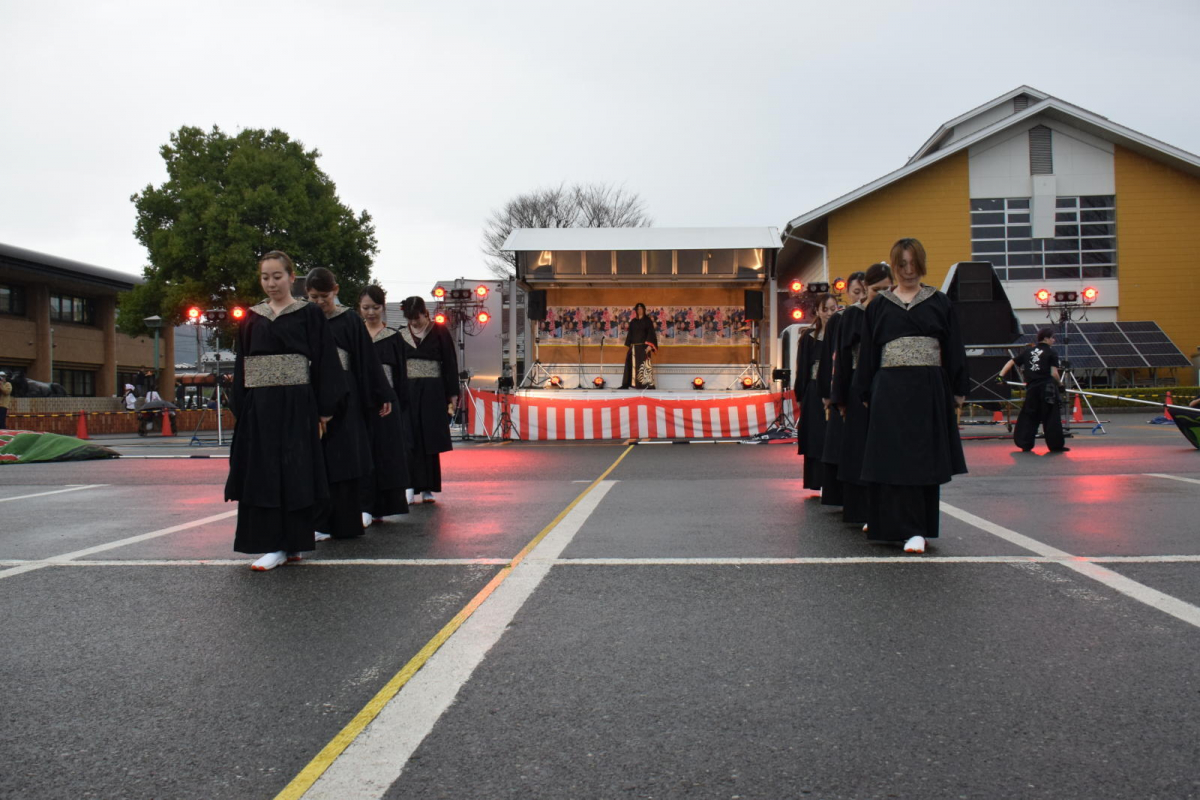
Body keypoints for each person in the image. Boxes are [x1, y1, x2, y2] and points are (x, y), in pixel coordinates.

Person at [225, 251, 346, 571]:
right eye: (265, 277)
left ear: (292, 277)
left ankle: (291, 542)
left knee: (295, 472)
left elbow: (324, 362)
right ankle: (274, 543)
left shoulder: (308, 314)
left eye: (277, 276)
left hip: (296, 406)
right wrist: (241, 407)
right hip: (260, 409)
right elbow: (242, 367)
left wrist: (324, 409)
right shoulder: (252, 317)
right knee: (264, 473)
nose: (271, 283)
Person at [852, 238, 968, 554]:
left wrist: (958, 389)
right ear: (894, 266)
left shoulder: (939, 302)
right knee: (888, 457)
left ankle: (917, 529)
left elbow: (954, 348)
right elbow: (869, 354)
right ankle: (888, 525)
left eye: (912, 263)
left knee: (921, 460)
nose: (907, 270)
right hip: (888, 389)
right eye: (901, 264)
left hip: (927, 390)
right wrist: (864, 390)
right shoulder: (879, 305)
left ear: (921, 263)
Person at [305, 267, 395, 539]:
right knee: (315, 459)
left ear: (336, 291)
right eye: (313, 297)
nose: (319, 302)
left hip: (346, 397)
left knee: (344, 458)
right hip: (310, 393)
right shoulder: (303, 319)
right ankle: (318, 521)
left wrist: (383, 393)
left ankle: (343, 520)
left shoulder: (349, 321)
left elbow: (367, 359)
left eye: (324, 296)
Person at [833, 263, 893, 528]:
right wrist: (840, 397)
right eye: (877, 289)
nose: (882, 294)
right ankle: (862, 509)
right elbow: (843, 359)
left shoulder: (895, 311)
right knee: (859, 448)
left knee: (887, 449)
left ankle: (887, 508)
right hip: (859, 385)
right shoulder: (852, 315)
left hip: (891, 384)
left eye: (888, 289)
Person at [398, 296, 458, 503]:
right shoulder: (400, 334)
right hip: (408, 391)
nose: (414, 323)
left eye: (417, 318)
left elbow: (450, 362)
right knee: (408, 438)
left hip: (433, 391)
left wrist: (452, 394)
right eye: (410, 319)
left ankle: (428, 488)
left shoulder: (439, 332)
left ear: (426, 313)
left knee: (429, 439)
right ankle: (409, 486)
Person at [358, 285, 411, 520]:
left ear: (383, 307)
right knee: (363, 453)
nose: (370, 312)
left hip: (388, 403)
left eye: (375, 307)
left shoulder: (393, 337)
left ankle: (383, 506)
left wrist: (396, 401)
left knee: (386, 454)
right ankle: (364, 505)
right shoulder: (355, 335)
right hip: (360, 402)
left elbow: (400, 374)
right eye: (366, 307)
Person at [820, 272, 867, 509]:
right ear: (847, 293)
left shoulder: (876, 313)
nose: (861, 296)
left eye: (865, 291)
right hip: (845, 383)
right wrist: (830, 392)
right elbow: (832, 357)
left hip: (866, 383)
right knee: (840, 443)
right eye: (856, 292)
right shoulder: (842, 318)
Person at [794, 293, 838, 492]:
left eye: (833, 309)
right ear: (818, 311)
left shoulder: (843, 332)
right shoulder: (809, 337)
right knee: (815, 436)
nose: (829, 313)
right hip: (813, 390)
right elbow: (802, 368)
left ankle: (835, 484)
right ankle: (816, 481)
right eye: (825, 309)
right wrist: (801, 395)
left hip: (837, 388)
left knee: (834, 436)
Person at [998, 328, 1068, 453]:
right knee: (1051, 417)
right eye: (1052, 337)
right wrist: (1061, 385)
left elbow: (1011, 362)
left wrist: (1000, 376)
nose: (1054, 340)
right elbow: (1054, 373)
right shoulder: (1052, 352)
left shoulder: (1028, 351)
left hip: (1032, 389)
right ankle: (1055, 445)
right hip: (1048, 389)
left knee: (1029, 416)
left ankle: (1025, 443)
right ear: (1046, 338)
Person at [619, 303, 658, 389]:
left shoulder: (648, 321)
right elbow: (630, 333)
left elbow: (651, 333)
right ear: (636, 311)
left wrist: (650, 346)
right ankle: (629, 384)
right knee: (630, 365)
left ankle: (645, 385)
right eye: (638, 309)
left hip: (644, 348)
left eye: (641, 308)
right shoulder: (633, 322)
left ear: (644, 310)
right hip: (634, 348)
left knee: (643, 366)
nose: (639, 310)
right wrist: (629, 344)